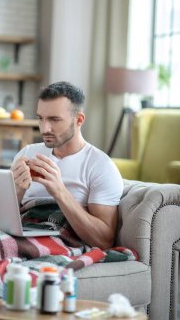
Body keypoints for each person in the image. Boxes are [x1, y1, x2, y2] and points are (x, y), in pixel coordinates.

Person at [11, 81, 123, 249]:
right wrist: (17, 191)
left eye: (54, 119)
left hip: (60, 240)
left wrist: (59, 191)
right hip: (20, 233)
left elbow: (104, 240)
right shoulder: (27, 153)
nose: (45, 128)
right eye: (41, 118)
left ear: (79, 119)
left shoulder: (100, 166)